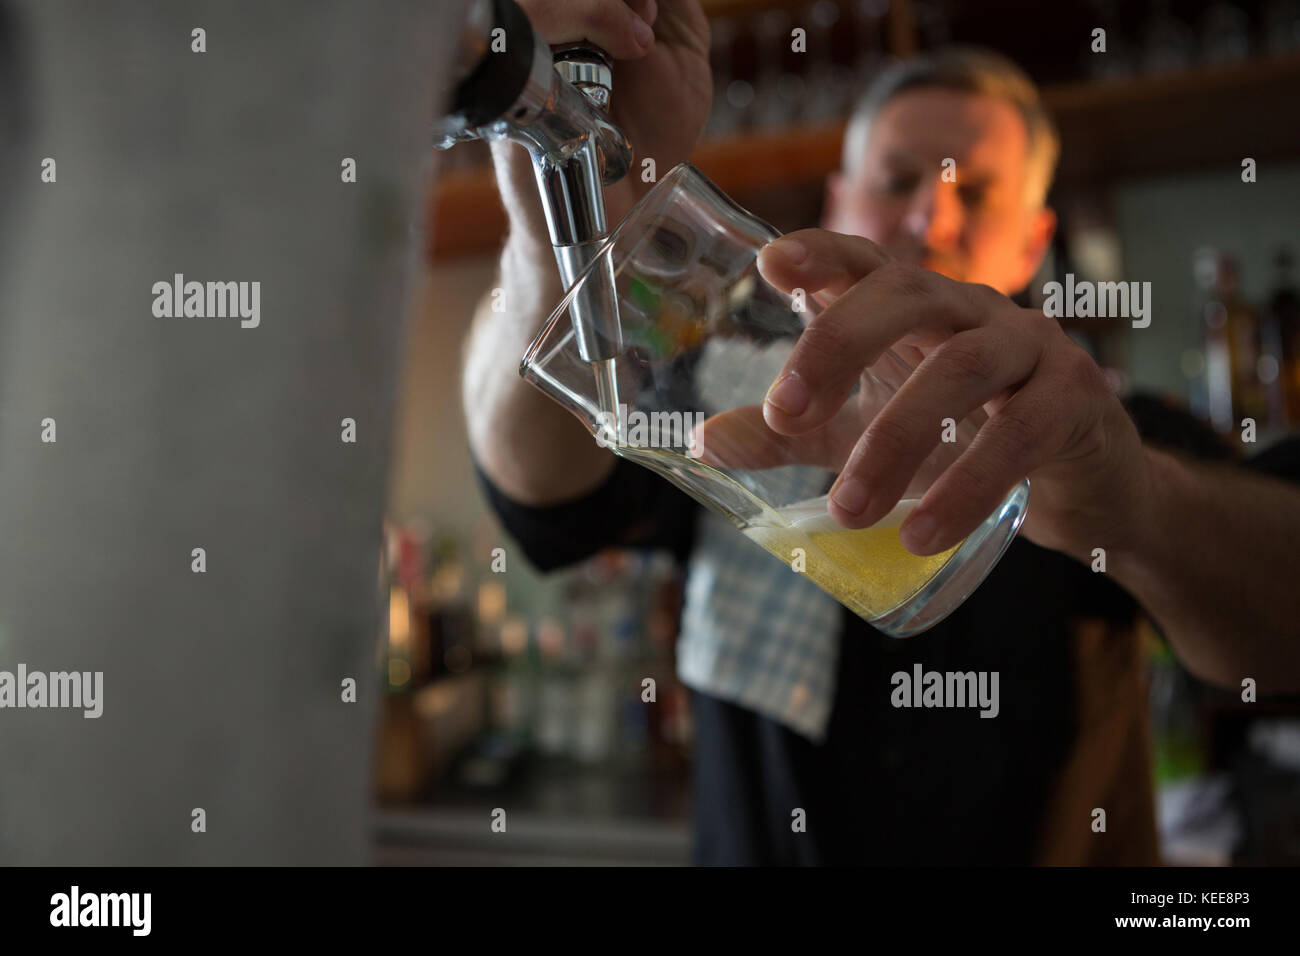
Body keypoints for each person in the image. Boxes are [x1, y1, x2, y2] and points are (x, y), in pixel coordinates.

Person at [461, 0, 1300, 864]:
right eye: (898, 181)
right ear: (840, 202)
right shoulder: (727, 389)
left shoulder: (1111, 437)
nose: (929, 220)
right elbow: (545, 503)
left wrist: (1139, 511)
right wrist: (562, 194)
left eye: (972, 191)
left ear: (1031, 242)